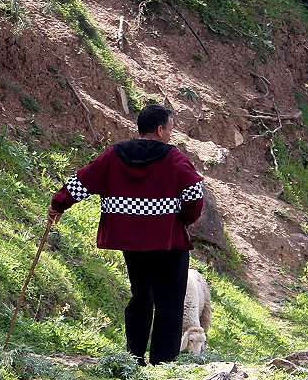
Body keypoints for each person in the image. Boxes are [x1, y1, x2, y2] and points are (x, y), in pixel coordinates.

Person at [48, 104, 203, 365]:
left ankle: (134, 358)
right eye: (170, 129)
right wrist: (184, 220)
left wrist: (58, 204)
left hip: (133, 243)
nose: (170, 135)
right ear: (160, 129)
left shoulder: (114, 155)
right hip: (168, 243)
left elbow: (82, 181)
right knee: (170, 302)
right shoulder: (173, 159)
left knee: (141, 296)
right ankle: (162, 362)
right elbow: (194, 194)